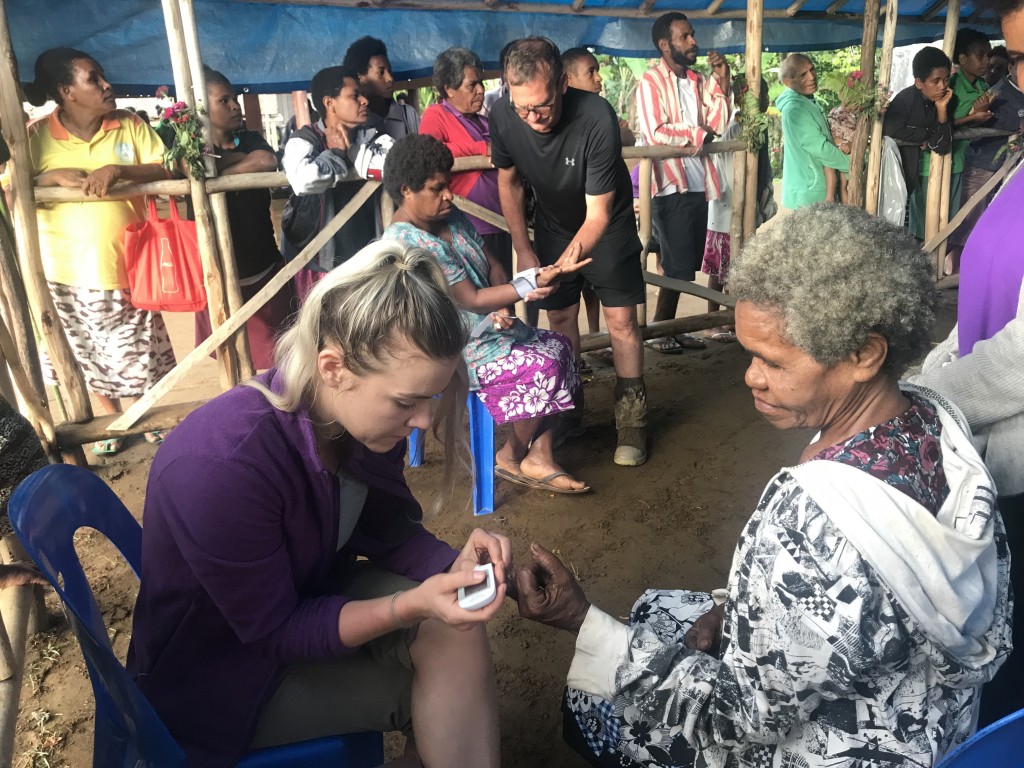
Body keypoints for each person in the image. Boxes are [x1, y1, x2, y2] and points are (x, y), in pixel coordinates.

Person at [512, 204, 1011, 768]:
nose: (750, 376)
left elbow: (738, 719)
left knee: (598, 697)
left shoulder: (814, 517)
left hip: (843, 749)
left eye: (771, 360)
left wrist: (579, 618)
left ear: (864, 354)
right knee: (660, 611)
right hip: (937, 724)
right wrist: (740, 610)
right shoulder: (935, 419)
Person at [128, 239, 508, 767]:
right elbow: (277, 631)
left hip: (310, 590)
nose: (422, 421)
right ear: (333, 368)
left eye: (432, 399)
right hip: (223, 677)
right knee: (429, 694)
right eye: (406, 402)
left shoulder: (352, 421)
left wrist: (455, 566)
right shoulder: (223, 467)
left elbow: (387, 529)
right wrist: (411, 605)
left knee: (457, 628)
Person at [913, 0, 1024, 727]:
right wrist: (924, 370)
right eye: (1017, 60)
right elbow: (990, 299)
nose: (1022, 77)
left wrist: (922, 397)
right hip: (994, 458)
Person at [383, 135, 590, 493]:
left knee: (561, 346)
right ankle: (510, 454)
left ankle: (538, 452)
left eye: (447, 185)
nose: (449, 194)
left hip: (487, 330)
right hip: (449, 347)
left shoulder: (451, 216)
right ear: (406, 191)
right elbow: (471, 298)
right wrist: (529, 285)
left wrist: (504, 305)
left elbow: (492, 265)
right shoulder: (409, 243)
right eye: (437, 188)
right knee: (543, 365)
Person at [490, 37, 649, 467]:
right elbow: (509, 182)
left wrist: (564, 263)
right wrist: (524, 250)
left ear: (562, 83)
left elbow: (597, 214)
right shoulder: (504, 112)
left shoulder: (596, 115)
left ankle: (631, 420)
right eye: (522, 108)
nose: (532, 118)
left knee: (621, 321)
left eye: (541, 106)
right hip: (553, 224)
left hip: (607, 223)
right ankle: (570, 411)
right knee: (560, 318)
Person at [25, 47, 175, 456]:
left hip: (131, 264)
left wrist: (120, 170)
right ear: (66, 91)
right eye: (93, 78)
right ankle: (112, 423)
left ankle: (144, 416)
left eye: (102, 76)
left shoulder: (128, 124)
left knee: (142, 352)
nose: (107, 84)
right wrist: (45, 176)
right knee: (86, 352)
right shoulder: (36, 137)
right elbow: (8, 179)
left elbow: (167, 167)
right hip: (65, 269)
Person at [636, 13, 730, 353]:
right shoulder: (650, 82)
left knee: (686, 263)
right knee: (675, 265)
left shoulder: (700, 80)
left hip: (700, 183)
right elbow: (655, 130)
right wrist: (699, 133)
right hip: (669, 185)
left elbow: (718, 121)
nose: (693, 42)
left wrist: (723, 82)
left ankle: (671, 329)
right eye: (685, 37)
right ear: (665, 44)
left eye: (692, 35)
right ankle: (661, 329)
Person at [193, 68, 294, 369]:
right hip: (217, 274)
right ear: (201, 107)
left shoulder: (249, 139)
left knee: (279, 354)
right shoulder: (188, 146)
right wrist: (228, 164)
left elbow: (266, 160)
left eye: (234, 99)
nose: (235, 106)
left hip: (262, 266)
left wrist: (216, 175)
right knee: (231, 356)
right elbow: (191, 165)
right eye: (224, 101)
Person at [280, 66, 390, 301]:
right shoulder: (304, 139)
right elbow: (303, 181)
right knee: (324, 328)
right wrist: (336, 155)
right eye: (354, 96)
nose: (364, 101)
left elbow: (391, 161)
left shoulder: (370, 135)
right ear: (329, 103)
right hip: (319, 260)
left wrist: (352, 153)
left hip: (367, 253)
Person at [419, 47, 513, 290]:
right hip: (469, 226)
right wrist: (481, 148)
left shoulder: (483, 120)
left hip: (499, 222)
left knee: (504, 295)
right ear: (449, 89)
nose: (481, 90)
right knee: (481, 302)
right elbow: (429, 152)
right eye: (472, 85)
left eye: (480, 83)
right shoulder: (436, 115)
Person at [562, 46, 634, 354]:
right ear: (567, 79)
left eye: (597, 70)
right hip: (570, 218)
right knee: (566, 300)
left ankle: (598, 342)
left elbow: (628, 136)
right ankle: (578, 358)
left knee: (607, 295)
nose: (599, 78)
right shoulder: (559, 116)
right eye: (590, 71)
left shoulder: (602, 109)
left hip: (607, 218)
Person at [883, 46, 953, 239]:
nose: (942, 86)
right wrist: (926, 134)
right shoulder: (905, 100)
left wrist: (941, 110)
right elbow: (892, 130)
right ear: (919, 82)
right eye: (935, 81)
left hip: (922, 175)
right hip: (898, 175)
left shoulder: (941, 101)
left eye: (946, 79)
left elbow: (942, 144)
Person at [945, 29, 996, 274]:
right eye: (981, 55)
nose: (987, 61)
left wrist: (981, 117)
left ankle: (961, 271)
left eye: (989, 55)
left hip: (974, 164)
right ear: (962, 59)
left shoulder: (983, 86)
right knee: (953, 219)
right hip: (951, 164)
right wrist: (973, 116)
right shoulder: (950, 87)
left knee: (973, 219)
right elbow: (942, 124)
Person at [776, 54, 851, 213]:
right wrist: (852, 163)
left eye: (812, 70)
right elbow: (821, 148)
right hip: (809, 193)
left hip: (816, 190)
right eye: (803, 74)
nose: (811, 77)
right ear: (788, 83)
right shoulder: (794, 110)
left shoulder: (808, 101)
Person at [342, 36, 419, 140]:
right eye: (381, 73)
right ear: (360, 78)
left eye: (390, 71)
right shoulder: (353, 124)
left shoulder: (408, 115)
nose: (390, 78)